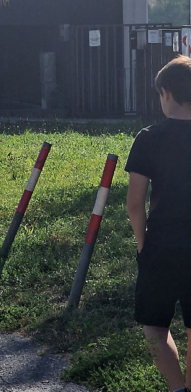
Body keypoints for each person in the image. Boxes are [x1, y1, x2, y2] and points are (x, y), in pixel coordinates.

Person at [126, 55, 191, 392]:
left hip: (162, 245)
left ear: (165, 92)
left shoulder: (148, 138)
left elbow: (134, 203)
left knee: (154, 326)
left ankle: (176, 388)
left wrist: (142, 244)